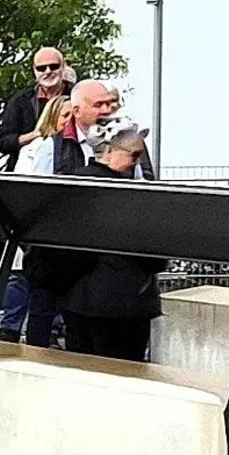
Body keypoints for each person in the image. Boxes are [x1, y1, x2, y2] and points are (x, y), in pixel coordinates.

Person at [59, 130, 166, 362]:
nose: (137, 162)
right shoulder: (133, 196)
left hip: (76, 299)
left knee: (79, 369)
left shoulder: (69, 184)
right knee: (122, 372)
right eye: (134, 155)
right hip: (125, 304)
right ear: (109, 151)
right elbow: (157, 255)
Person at [0, 49, 74, 342]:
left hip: (67, 216)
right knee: (23, 270)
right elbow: (3, 140)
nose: (48, 71)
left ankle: (52, 330)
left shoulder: (77, 94)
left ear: (63, 67)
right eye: (42, 67)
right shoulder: (22, 103)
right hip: (32, 209)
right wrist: (40, 134)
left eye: (54, 66)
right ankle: (12, 328)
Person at [13, 96, 75, 348]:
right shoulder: (40, 148)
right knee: (40, 301)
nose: (69, 121)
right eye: (65, 115)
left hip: (69, 242)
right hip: (43, 242)